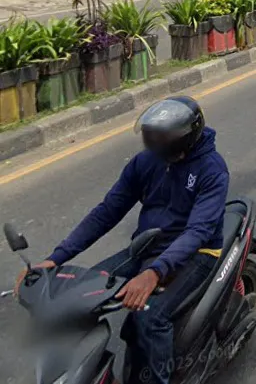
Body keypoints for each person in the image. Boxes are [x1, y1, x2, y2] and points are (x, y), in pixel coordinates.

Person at [17, 97, 229, 384]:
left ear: (184, 137)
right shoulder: (146, 162)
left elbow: (197, 232)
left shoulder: (211, 169)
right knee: (79, 298)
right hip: (148, 246)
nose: (154, 143)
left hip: (197, 254)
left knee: (149, 319)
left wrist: (154, 273)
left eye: (161, 137)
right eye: (151, 136)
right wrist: (56, 259)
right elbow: (107, 212)